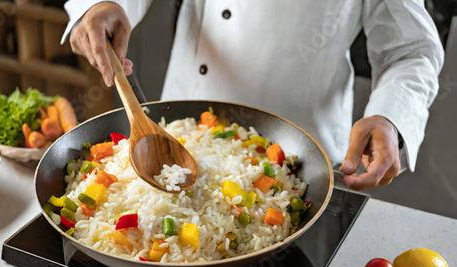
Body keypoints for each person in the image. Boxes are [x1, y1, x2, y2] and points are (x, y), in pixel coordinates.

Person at [61, 0, 444, 191]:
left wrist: (391, 115)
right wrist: (102, 4)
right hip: (179, 133)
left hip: (299, 162)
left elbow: (411, 50)